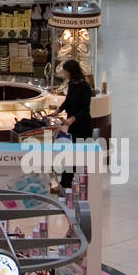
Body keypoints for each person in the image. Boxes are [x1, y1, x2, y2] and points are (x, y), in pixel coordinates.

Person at [56, 59, 94, 189]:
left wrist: (72, 119)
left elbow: (85, 110)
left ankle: (73, 183)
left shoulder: (85, 88)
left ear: (71, 72)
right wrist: (58, 110)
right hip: (72, 127)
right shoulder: (71, 84)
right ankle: (65, 183)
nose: (64, 73)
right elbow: (67, 101)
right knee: (70, 156)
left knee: (76, 157)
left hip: (83, 128)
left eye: (66, 71)